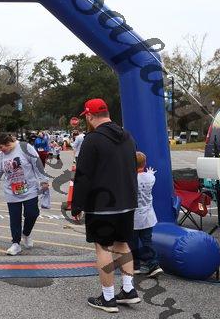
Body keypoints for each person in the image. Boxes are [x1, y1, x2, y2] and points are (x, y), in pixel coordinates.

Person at [71, 98, 140, 313]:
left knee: (103, 248)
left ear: (90, 116)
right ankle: (128, 290)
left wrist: (77, 204)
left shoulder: (92, 140)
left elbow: (83, 175)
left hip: (101, 204)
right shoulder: (127, 136)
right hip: (127, 200)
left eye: (87, 117)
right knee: (123, 244)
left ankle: (108, 297)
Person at [0, 133, 50, 256]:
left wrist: (44, 180)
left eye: (1, 147)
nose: (0, 150)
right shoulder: (1, 156)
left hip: (29, 188)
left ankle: (26, 233)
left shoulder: (25, 147)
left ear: (8, 144)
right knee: (15, 218)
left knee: (32, 213)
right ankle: (16, 243)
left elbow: (37, 163)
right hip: (11, 191)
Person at [130, 152, 163, 278]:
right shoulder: (150, 178)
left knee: (132, 243)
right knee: (147, 242)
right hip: (148, 216)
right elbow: (150, 175)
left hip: (134, 218)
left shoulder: (131, 179)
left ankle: (135, 266)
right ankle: (153, 264)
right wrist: (149, 172)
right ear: (144, 164)